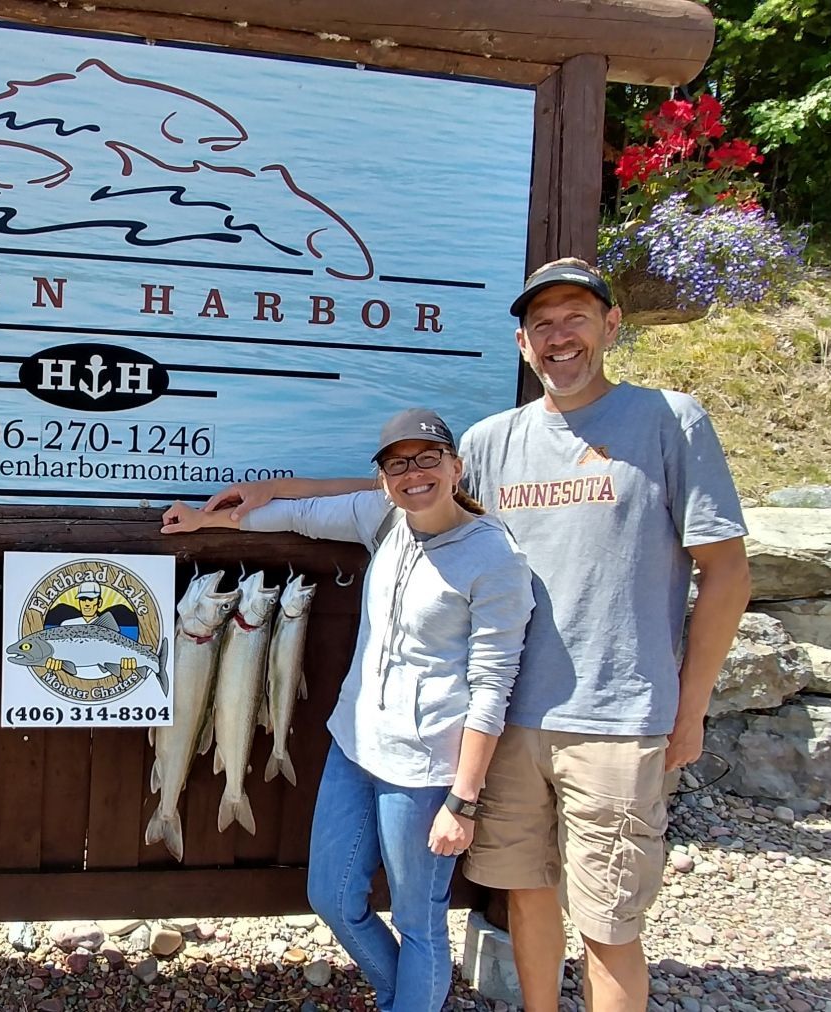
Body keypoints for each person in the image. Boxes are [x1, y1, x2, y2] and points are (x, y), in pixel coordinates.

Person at [197, 258, 751, 1012]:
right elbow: (390, 492)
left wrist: (689, 712)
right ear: (523, 343)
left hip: (616, 721)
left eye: (577, 317)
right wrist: (268, 493)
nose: (560, 337)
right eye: (543, 325)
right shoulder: (494, 440)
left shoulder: (668, 420)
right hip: (510, 721)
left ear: (611, 326)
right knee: (527, 897)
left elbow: (726, 573)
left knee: (608, 923)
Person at [163, 407, 534, 1012]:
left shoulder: (495, 558)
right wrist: (206, 519)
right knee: (332, 896)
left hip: (426, 773)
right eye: (397, 464)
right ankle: (399, 995)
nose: (413, 474)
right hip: (355, 747)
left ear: (456, 467)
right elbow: (297, 517)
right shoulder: (382, 516)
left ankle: (407, 1000)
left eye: (427, 459)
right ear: (382, 478)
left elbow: (493, 686)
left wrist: (462, 802)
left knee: (420, 923)